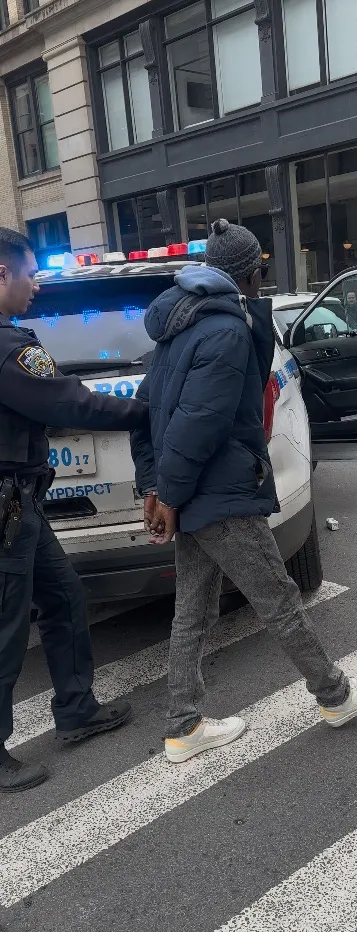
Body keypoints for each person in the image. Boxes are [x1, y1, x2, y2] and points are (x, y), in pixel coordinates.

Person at [130, 219, 357, 763]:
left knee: (193, 607)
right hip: (218, 492)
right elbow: (198, 425)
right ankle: (335, 696)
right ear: (252, 273)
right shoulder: (224, 331)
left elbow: (148, 414)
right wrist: (170, 496)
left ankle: (184, 726)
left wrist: (157, 487)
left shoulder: (177, 325)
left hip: (193, 493)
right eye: (260, 272)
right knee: (277, 598)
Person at [0, 228, 149, 792]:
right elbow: (68, 399)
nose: (35, 284)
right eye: (29, 273)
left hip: (20, 507)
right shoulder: (7, 348)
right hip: (6, 509)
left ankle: (76, 710)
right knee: (6, 629)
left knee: (62, 596)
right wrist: (143, 412)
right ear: (1, 274)